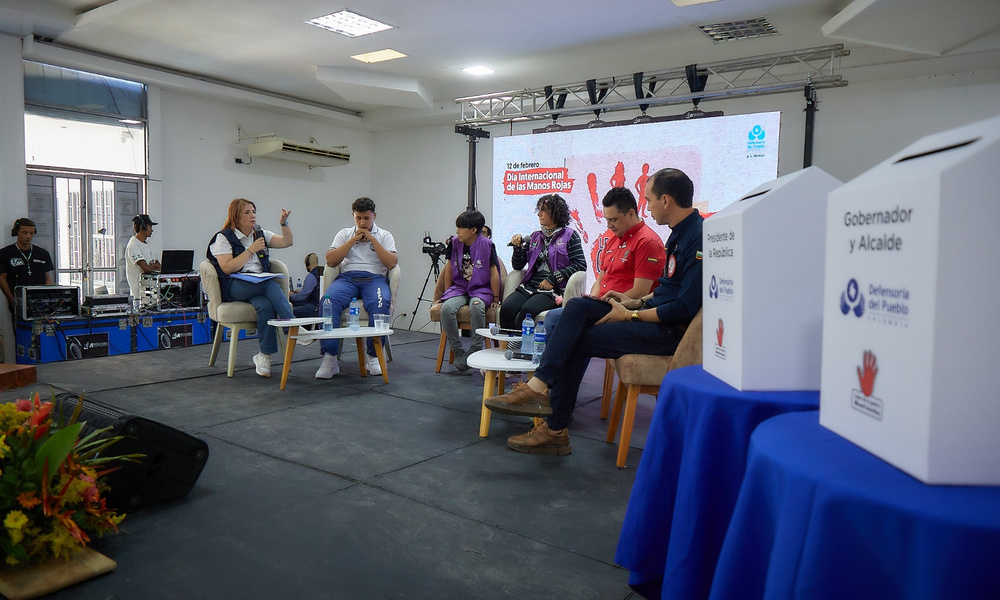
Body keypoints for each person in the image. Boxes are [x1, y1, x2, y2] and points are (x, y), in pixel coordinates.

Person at [485, 168, 703, 456]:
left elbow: (683, 307)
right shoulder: (679, 234)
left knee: (575, 338)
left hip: (666, 332)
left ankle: (552, 421)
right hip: (647, 313)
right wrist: (633, 303)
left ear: (666, 200)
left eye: (649, 201)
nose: (647, 207)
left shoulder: (697, 238)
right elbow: (666, 290)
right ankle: (542, 396)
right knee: (575, 307)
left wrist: (630, 315)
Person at [542, 187, 665, 335]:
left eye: (613, 220)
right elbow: (601, 280)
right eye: (607, 220)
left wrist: (601, 305)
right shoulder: (613, 239)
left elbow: (640, 292)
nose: (609, 225)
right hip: (602, 304)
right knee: (558, 316)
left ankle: (552, 358)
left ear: (631, 213)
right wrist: (593, 299)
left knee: (558, 316)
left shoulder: (646, 242)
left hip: (623, 308)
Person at [206, 198, 293, 378]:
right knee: (269, 284)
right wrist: (250, 250)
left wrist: (284, 224)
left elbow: (287, 242)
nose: (252, 215)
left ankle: (264, 356)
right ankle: (293, 326)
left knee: (265, 305)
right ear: (236, 217)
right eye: (247, 212)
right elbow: (227, 268)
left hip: (257, 285)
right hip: (234, 286)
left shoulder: (260, 233)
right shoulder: (223, 237)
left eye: (253, 211)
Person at [315, 197, 397, 379]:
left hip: (374, 278)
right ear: (353, 216)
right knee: (327, 301)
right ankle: (330, 358)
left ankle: (373, 356)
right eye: (358, 218)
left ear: (374, 216)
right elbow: (330, 260)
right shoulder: (344, 233)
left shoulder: (385, 235)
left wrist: (372, 240)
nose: (362, 222)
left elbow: (392, 263)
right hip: (348, 278)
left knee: (379, 302)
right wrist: (353, 241)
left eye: (366, 218)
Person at [499, 194, 586, 338]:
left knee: (527, 311)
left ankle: (524, 350)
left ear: (555, 212)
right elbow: (518, 265)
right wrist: (517, 248)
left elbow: (581, 265)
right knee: (507, 308)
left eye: (543, 210)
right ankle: (509, 347)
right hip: (531, 285)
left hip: (554, 288)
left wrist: (553, 279)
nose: (539, 214)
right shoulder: (535, 237)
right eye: (538, 210)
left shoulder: (570, 236)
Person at [432, 210, 500, 374]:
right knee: (447, 308)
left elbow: (493, 272)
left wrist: (496, 297)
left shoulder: (487, 245)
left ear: (473, 230)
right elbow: (448, 269)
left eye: (461, 228)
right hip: (460, 288)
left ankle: (475, 348)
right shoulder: (454, 243)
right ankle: (458, 351)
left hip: (481, 288)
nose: (457, 231)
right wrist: (448, 293)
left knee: (477, 306)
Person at [0, 218, 54, 316]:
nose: (28, 236)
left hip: (40, 301)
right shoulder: (5, 253)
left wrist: (48, 298)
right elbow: (2, 278)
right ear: (17, 232)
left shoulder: (43, 254)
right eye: (24, 232)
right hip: (18, 300)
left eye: (31, 233)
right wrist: (11, 299)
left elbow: (47, 277)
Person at [125, 214, 161, 304]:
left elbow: (160, 266)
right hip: (139, 296)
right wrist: (153, 267)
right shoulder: (133, 246)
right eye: (150, 227)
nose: (152, 230)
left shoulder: (149, 245)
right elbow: (146, 269)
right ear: (143, 227)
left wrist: (154, 267)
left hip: (152, 295)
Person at [289, 252, 323, 318]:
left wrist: (291, 295)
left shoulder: (311, 276)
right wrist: (300, 293)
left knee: (289, 310)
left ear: (308, 263)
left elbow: (301, 297)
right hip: (319, 305)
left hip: (314, 307)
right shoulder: (321, 272)